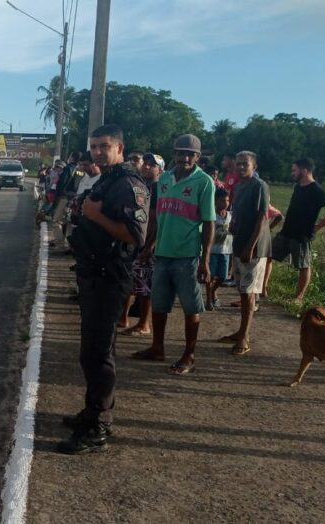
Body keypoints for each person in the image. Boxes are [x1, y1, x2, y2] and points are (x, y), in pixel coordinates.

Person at [57, 124, 149, 454]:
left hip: (110, 276)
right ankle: (94, 410)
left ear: (120, 149)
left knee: (98, 353)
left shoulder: (129, 183)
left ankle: (98, 426)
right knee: (93, 351)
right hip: (93, 273)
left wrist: (93, 213)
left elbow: (135, 235)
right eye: (94, 146)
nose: (97, 152)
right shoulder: (108, 178)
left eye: (104, 146)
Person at [131, 134, 215, 375]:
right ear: (174, 154)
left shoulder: (204, 182)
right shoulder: (165, 179)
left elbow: (209, 223)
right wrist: (148, 248)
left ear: (198, 157)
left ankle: (189, 354)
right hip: (163, 253)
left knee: (191, 307)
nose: (185, 157)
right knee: (159, 303)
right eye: (181, 152)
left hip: (187, 256)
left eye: (190, 154)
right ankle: (157, 348)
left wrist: (205, 260)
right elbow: (158, 217)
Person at [218, 151, 271, 355]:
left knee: (249, 293)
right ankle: (240, 331)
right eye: (238, 164)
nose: (241, 167)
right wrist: (234, 226)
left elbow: (262, 218)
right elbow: (238, 213)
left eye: (245, 164)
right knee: (242, 289)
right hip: (239, 244)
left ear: (254, 167)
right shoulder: (238, 187)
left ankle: (245, 337)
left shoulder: (259, 186)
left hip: (253, 248)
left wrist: (250, 246)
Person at [270, 158, 325, 303]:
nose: (292, 173)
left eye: (294, 170)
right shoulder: (298, 186)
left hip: (302, 235)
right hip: (286, 231)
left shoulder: (316, 189)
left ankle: (298, 298)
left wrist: (319, 226)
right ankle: (261, 290)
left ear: (304, 170)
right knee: (267, 256)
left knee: (304, 266)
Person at [120, 153, 165, 335]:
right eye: (145, 163)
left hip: (147, 242)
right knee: (131, 281)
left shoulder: (157, 189)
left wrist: (148, 245)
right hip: (136, 239)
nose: (146, 167)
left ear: (159, 169)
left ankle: (144, 324)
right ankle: (123, 317)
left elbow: (154, 219)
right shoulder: (141, 186)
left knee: (145, 284)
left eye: (151, 165)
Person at [65, 151, 102, 248]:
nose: (84, 168)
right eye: (82, 165)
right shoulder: (85, 176)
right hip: (78, 216)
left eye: (86, 165)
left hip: (91, 220)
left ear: (95, 163)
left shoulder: (101, 180)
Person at [49, 152, 83, 251]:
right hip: (75, 199)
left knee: (56, 220)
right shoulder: (80, 170)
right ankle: (68, 244)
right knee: (68, 222)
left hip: (64, 198)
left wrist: (57, 196)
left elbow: (62, 183)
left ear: (72, 158)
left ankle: (60, 243)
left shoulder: (68, 168)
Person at [206, 188, 232, 310]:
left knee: (222, 276)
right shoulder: (212, 215)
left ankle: (212, 290)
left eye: (227, 200)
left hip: (226, 250)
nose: (225, 203)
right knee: (210, 276)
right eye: (222, 200)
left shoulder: (230, 216)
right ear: (215, 201)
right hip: (213, 251)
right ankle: (208, 299)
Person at [261, 205, 283, 298]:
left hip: (263, 234)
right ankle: (261, 287)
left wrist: (269, 227)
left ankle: (264, 287)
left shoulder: (264, 204)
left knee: (267, 259)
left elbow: (279, 216)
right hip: (257, 233)